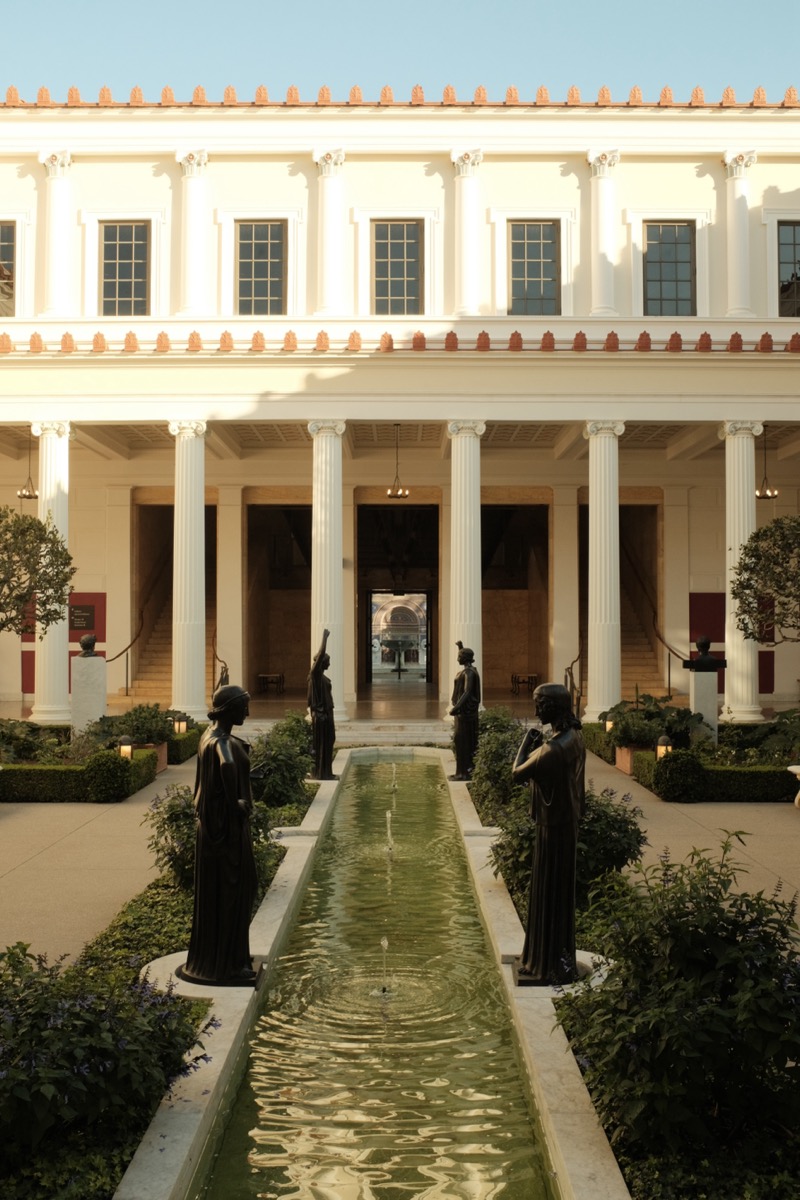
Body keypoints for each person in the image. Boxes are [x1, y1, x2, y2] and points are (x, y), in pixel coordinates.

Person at [180, 684, 258, 986]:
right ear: (230, 710)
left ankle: (226, 959)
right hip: (225, 832)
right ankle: (228, 965)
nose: (247, 712)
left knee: (228, 892)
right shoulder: (221, 741)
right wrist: (234, 801)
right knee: (233, 891)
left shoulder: (208, 735)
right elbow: (227, 763)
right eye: (243, 707)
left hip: (215, 830)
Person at [511, 683, 586, 986]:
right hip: (564, 826)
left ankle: (545, 966)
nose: (535, 710)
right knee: (556, 895)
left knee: (548, 895)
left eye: (540, 705)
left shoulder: (552, 750)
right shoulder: (574, 738)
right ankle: (552, 962)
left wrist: (525, 743)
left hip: (552, 832)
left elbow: (517, 773)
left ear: (553, 708)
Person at [308, 628, 337, 780]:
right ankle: (320, 773)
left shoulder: (321, 678)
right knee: (322, 744)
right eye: (328, 662)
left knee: (329, 741)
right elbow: (319, 656)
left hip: (327, 714)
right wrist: (324, 638)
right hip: (321, 715)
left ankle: (327, 772)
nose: (329, 664)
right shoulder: (315, 676)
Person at [449, 641, 481, 780]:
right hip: (461, 713)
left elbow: (467, 692)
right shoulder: (467, 670)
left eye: (459, 656)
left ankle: (464, 773)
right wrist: (460, 648)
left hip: (465, 713)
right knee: (459, 740)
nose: (457, 659)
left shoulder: (470, 673)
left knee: (463, 741)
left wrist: (455, 708)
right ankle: (460, 772)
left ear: (465, 658)